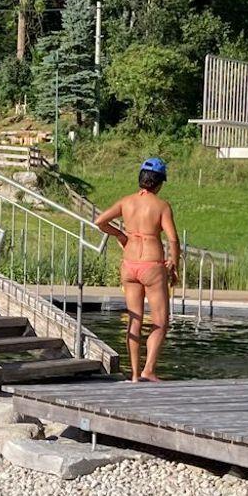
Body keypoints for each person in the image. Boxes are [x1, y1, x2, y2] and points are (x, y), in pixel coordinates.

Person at [94, 157, 180, 383]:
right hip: (152, 265)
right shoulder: (161, 206)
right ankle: (148, 370)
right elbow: (173, 239)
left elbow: (100, 221)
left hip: (129, 264)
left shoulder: (126, 202)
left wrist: (121, 235)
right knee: (160, 322)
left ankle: (133, 374)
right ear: (159, 183)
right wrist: (174, 264)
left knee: (134, 320)